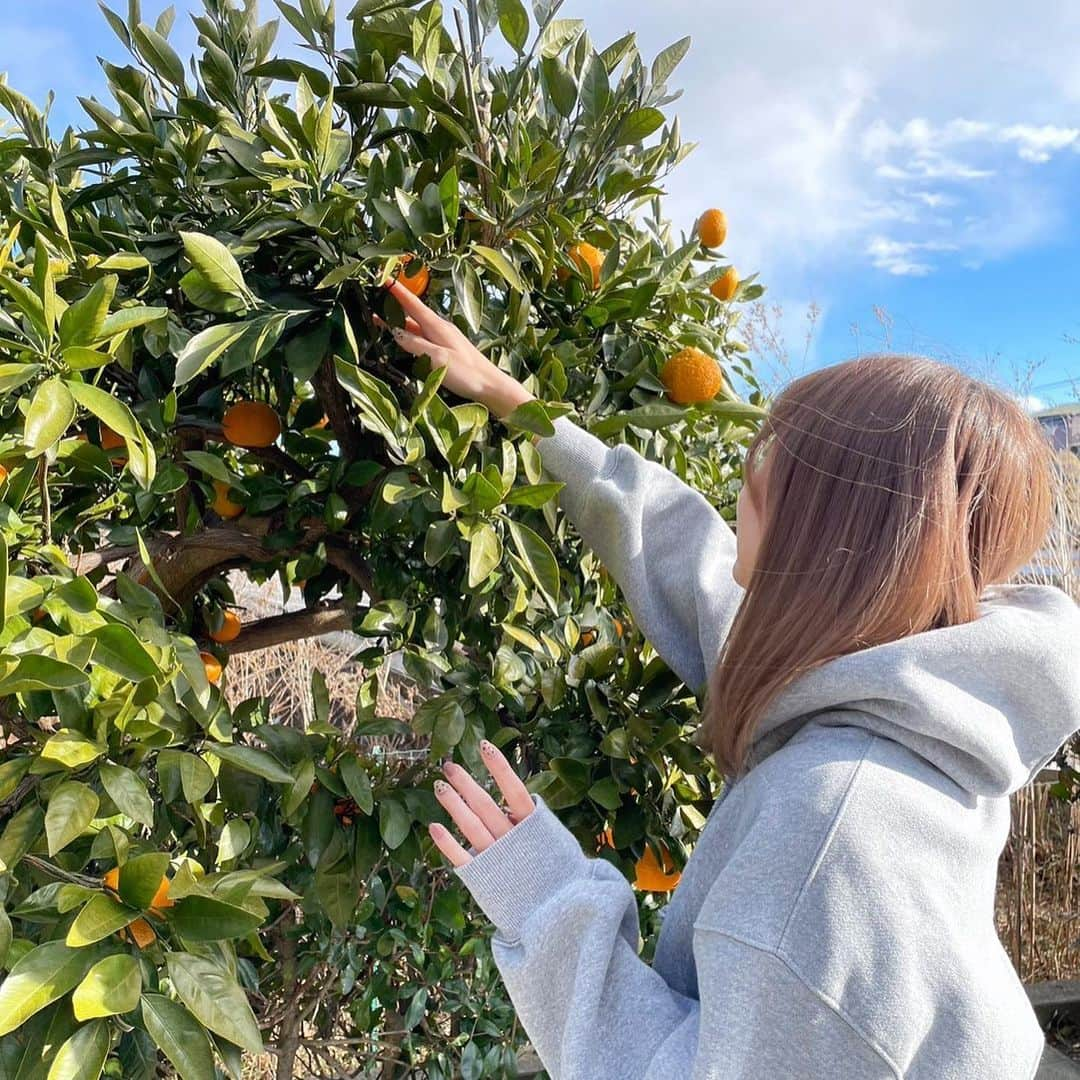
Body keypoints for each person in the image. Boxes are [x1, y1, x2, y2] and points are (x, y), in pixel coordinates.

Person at [380, 278, 1080, 1079]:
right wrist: (518, 404)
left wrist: (547, 896)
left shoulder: (830, 828)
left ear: (835, 531)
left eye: (769, 477)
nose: (740, 492)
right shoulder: (908, 687)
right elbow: (689, 557)